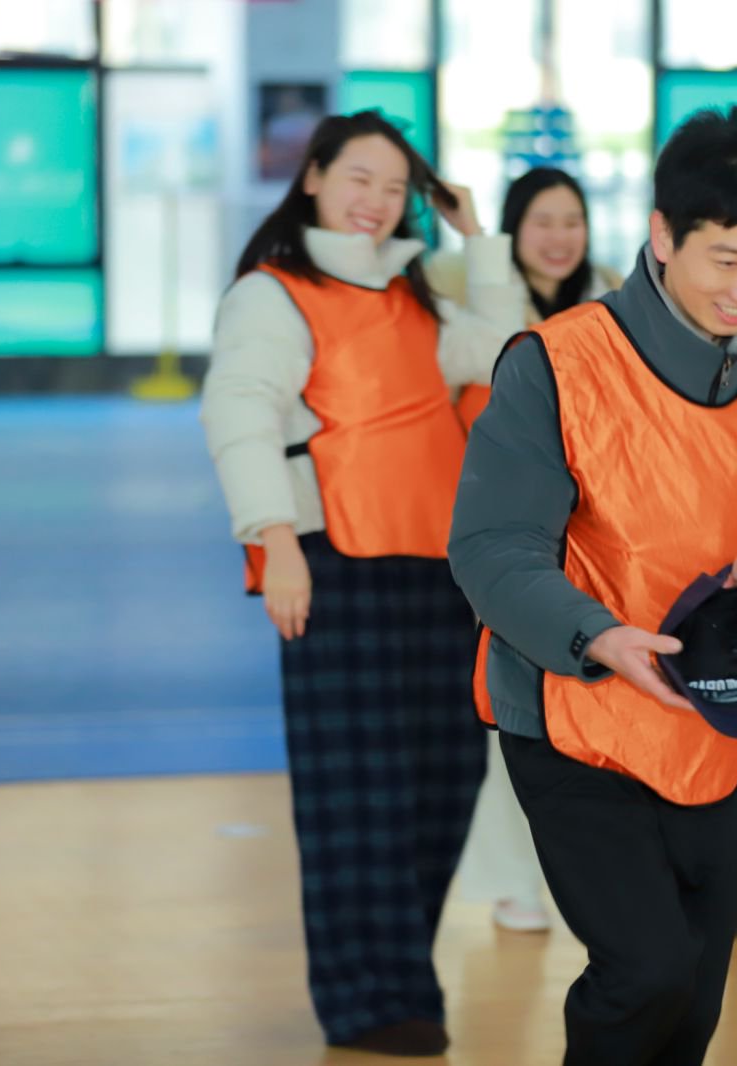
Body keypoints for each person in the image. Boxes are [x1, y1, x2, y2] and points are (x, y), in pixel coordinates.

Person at [448, 106, 737, 1066]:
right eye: (725, 260)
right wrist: (596, 637)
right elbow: (491, 548)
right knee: (645, 971)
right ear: (662, 236)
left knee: (692, 995)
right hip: (574, 710)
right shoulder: (555, 363)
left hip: (712, 712)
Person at [200, 110, 525, 1057]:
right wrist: (275, 541)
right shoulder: (272, 295)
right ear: (313, 177)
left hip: (440, 572)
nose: (376, 201)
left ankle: (397, 975)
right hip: (335, 564)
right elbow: (240, 414)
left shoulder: (413, 299)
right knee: (357, 792)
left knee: (443, 779)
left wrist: (478, 237)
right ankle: (371, 1000)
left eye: (394, 187)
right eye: (359, 178)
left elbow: (509, 357)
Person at [428, 166, 623, 934]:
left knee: (594, 711)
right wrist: (477, 239)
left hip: (595, 547)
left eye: (572, 220)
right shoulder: (468, 303)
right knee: (508, 712)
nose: (560, 237)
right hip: (507, 551)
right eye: (542, 221)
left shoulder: (613, 304)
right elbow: (497, 356)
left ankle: (596, 869)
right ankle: (514, 879)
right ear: (514, 230)